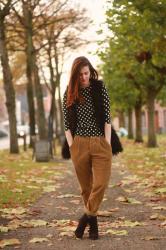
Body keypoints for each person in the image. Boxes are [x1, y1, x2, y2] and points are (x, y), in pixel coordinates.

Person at [62, 56, 112, 240]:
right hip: (79, 143)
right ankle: (94, 227)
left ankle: (84, 219)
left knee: (100, 184)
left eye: (86, 73)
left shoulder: (99, 88)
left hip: (100, 142)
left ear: (90, 71)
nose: (84, 77)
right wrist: (72, 146)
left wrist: (107, 143)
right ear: (75, 75)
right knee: (86, 188)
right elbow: (67, 124)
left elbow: (107, 117)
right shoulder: (69, 92)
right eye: (80, 74)